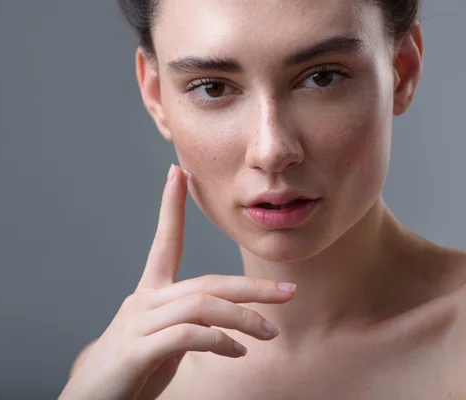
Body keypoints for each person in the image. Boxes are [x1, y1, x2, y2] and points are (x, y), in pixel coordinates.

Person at [60, 0, 466, 398]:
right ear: (156, 95)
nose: (271, 150)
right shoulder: (122, 376)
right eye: (213, 87)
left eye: (322, 77)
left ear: (401, 71)